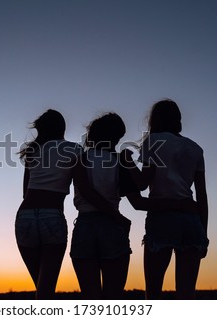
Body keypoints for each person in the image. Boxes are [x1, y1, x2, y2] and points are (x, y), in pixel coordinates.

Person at [123, 99, 209, 299]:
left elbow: (142, 183)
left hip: (162, 218)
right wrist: (204, 235)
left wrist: (127, 162)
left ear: (155, 119)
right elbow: (202, 196)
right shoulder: (195, 148)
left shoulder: (153, 141)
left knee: (153, 290)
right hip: (191, 221)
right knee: (186, 294)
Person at [15, 109, 81, 299]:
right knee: (46, 289)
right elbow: (82, 186)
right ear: (62, 128)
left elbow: (25, 192)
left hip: (25, 216)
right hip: (52, 215)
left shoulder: (32, 151)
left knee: (40, 289)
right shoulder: (74, 149)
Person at [69, 113, 136, 299]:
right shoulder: (120, 160)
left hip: (84, 227)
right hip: (112, 226)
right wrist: (117, 216)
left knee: (91, 299)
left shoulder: (81, 158)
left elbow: (85, 190)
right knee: (113, 298)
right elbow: (135, 191)